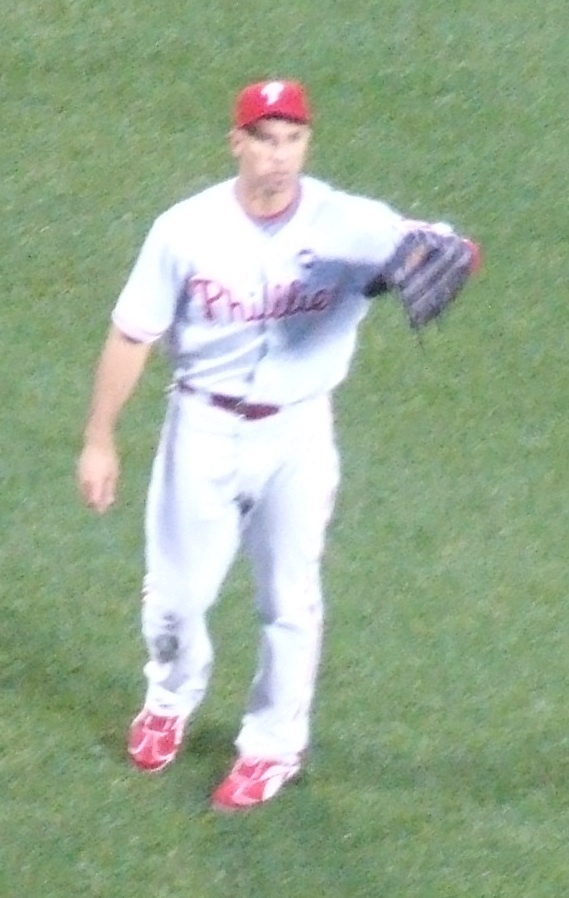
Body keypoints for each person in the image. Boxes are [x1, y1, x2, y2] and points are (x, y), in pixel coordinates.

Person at [77, 79, 477, 811]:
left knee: (290, 598)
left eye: (292, 138)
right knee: (174, 597)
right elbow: (133, 334)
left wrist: (449, 252)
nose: (279, 155)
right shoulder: (185, 229)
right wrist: (100, 438)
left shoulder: (351, 223)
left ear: (307, 143)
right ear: (237, 143)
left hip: (298, 432)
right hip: (201, 425)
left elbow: (449, 250)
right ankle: (168, 698)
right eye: (264, 139)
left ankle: (272, 746)